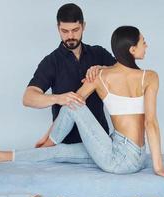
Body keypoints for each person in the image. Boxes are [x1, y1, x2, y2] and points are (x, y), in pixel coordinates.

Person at [0, 25, 164, 183]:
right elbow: (151, 124)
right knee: (60, 151)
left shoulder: (101, 76)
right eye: (142, 41)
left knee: (73, 100)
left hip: (119, 159)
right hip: (125, 153)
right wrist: (157, 166)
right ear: (132, 50)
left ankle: (48, 141)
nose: (146, 45)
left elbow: (73, 102)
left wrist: (48, 135)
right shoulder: (150, 77)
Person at [23, 3, 116, 147]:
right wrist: (59, 98)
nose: (70, 36)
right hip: (65, 142)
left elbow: (125, 73)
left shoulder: (99, 53)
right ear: (58, 28)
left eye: (75, 30)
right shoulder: (51, 62)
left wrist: (102, 69)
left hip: (99, 140)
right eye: (64, 31)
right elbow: (28, 98)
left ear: (83, 26)